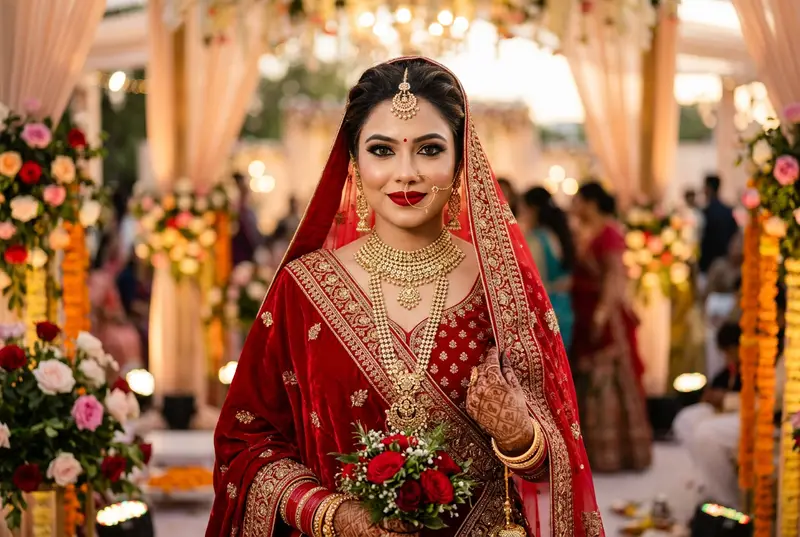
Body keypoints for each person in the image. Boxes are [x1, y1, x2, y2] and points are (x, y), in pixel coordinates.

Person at [207, 58, 603, 537]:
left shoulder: (503, 288)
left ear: (461, 162)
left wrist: (522, 438)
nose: (407, 173)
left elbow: (560, 466)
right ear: (354, 162)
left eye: (430, 149)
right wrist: (331, 514)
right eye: (382, 150)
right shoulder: (304, 288)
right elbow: (246, 440)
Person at [570, 181, 653, 473]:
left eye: (578, 201)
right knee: (588, 380)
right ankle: (592, 451)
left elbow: (615, 278)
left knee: (608, 380)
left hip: (604, 317)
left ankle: (617, 453)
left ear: (591, 202)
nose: (574, 206)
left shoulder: (609, 233)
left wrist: (601, 315)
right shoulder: (585, 231)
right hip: (584, 312)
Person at [521, 186, 576, 349]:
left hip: (546, 309)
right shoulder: (559, 234)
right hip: (564, 306)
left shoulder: (536, 239)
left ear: (533, 210)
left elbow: (534, 281)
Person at [698, 175, 738, 282]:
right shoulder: (728, 211)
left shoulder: (704, 213)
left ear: (708, 188)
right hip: (724, 262)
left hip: (707, 264)